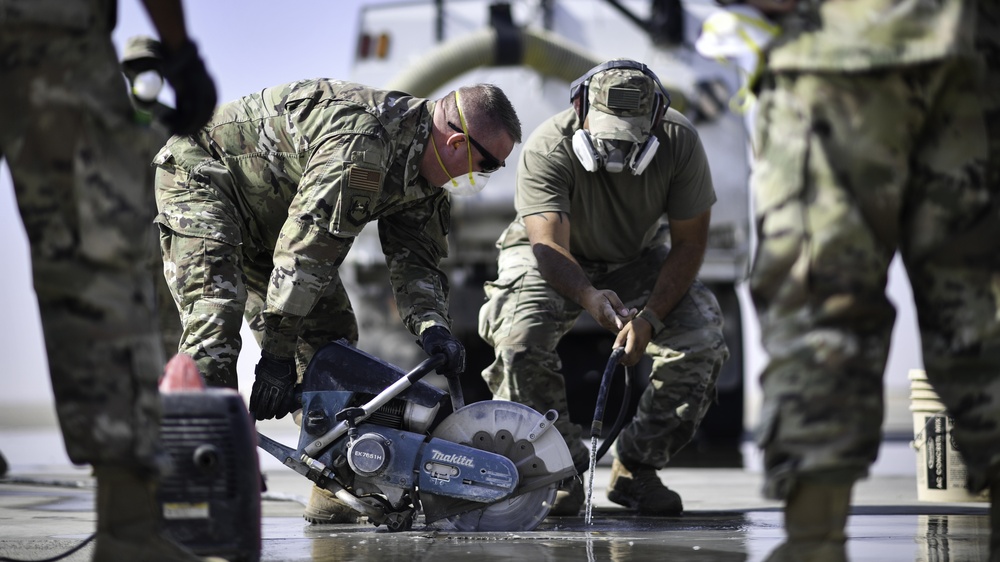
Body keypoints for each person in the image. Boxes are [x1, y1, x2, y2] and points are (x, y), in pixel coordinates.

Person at [152, 79, 522, 523]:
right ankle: (193, 495)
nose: (482, 177)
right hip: (203, 180)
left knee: (331, 347)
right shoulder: (364, 144)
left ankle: (335, 483)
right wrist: (276, 353)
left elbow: (417, 263)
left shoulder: (426, 177)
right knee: (215, 327)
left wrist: (433, 327)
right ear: (458, 141)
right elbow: (306, 250)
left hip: (273, 219)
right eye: (487, 165)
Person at [721, 0, 1000, 559]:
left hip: (844, 52)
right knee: (981, 308)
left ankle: (814, 545)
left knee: (824, 305)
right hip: (978, 49)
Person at [0, 0, 217, 560]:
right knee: (92, 274)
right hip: (47, 31)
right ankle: (128, 523)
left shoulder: (158, 126)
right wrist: (182, 48)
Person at [477, 59, 730, 516]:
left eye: (629, 135)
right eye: (607, 133)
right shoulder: (548, 147)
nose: (616, 149)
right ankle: (559, 470)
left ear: (655, 118)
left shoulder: (681, 143)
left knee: (702, 340)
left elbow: (691, 243)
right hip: (551, 256)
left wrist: (651, 317)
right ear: (580, 108)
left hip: (637, 256)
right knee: (518, 340)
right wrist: (590, 296)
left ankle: (636, 469)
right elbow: (549, 244)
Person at [121, 34, 185, 356]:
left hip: (167, 243)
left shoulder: (178, 122)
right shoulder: (109, 118)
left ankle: (169, 402)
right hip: (120, 243)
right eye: (138, 67)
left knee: (172, 331)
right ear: (127, 73)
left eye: (152, 66)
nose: (145, 75)